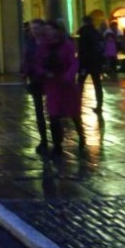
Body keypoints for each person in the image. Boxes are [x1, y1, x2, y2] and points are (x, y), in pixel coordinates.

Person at [36, 20, 85, 157]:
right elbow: (38, 63)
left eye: (51, 30)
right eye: (47, 31)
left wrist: (69, 75)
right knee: (54, 115)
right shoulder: (44, 46)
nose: (49, 33)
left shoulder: (66, 45)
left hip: (66, 85)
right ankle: (57, 145)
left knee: (74, 114)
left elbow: (73, 62)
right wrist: (44, 72)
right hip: (52, 85)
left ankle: (81, 136)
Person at [22, 18, 49, 153]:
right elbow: (27, 59)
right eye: (33, 29)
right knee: (39, 112)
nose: (34, 31)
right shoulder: (30, 42)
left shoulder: (49, 42)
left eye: (37, 28)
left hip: (48, 78)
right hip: (35, 78)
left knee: (53, 111)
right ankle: (43, 140)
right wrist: (25, 73)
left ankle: (57, 141)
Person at [77, 15, 105, 114]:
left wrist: (81, 63)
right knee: (97, 84)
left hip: (85, 62)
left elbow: (82, 49)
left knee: (80, 84)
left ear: (84, 22)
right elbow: (101, 47)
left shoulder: (82, 32)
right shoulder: (96, 32)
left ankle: (77, 104)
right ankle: (99, 105)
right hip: (96, 63)